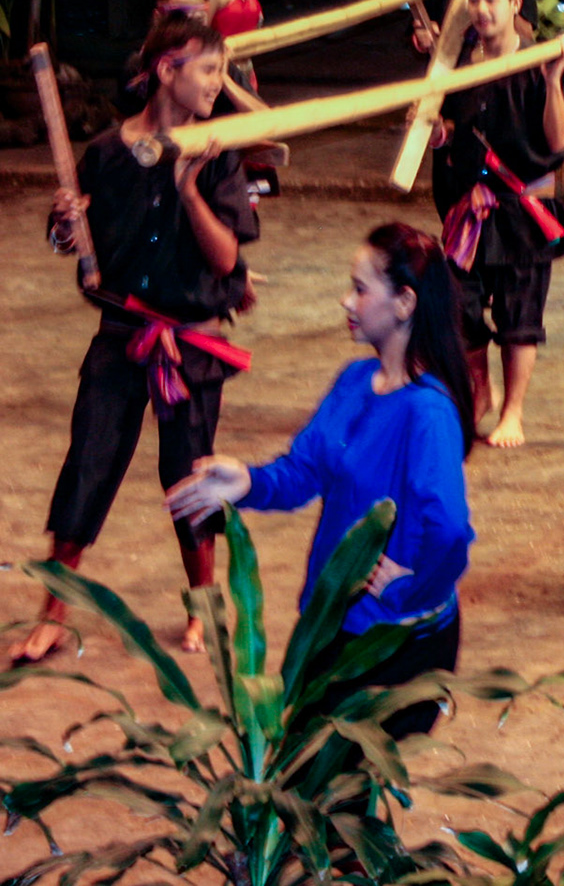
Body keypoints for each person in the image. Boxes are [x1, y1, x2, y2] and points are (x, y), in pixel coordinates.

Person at [10, 12, 258, 665]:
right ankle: (53, 611)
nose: (217, 83)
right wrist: (67, 228)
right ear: (167, 71)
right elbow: (78, 244)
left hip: (189, 340)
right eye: (207, 70)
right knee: (88, 464)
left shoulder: (219, 149)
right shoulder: (105, 154)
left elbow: (228, 258)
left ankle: (204, 604)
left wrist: (187, 188)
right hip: (121, 334)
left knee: (188, 473)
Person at [166, 223, 474, 741]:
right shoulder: (355, 381)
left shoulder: (428, 412)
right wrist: (247, 482)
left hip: (391, 645)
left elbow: (449, 529)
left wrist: (407, 585)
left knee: (344, 801)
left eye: (359, 288)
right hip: (332, 625)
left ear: (404, 303)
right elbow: (305, 469)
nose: (346, 301)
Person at [430, 0, 564, 448]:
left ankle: (513, 412)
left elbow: (558, 143)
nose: (480, 10)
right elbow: (449, 131)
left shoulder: (541, 60)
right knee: (459, 306)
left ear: (514, 0)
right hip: (470, 208)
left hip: (523, 211)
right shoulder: (456, 65)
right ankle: (480, 391)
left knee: (520, 317)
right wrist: (437, 133)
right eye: (473, 0)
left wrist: (555, 81)